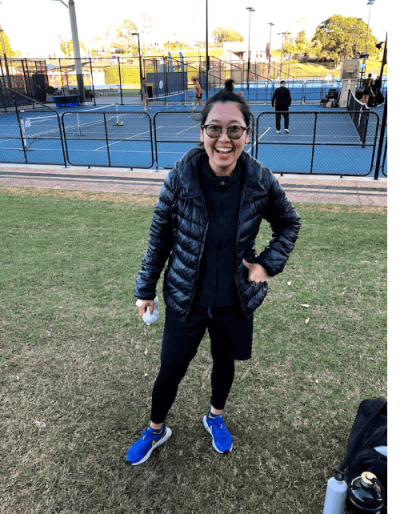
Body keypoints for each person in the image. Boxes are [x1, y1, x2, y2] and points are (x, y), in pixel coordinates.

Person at [127, 78, 301, 466]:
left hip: (234, 299)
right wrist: (146, 288)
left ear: (247, 134)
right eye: (215, 129)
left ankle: (215, 417)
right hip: (187, 297)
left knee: (225, 364)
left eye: (234, 129)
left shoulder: (260, 180)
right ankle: (156, 429)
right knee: (171, 369)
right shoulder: (181, 177)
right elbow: (159, 237)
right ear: (202, 132)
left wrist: (266, 264)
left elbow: (290, 223)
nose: (225, 139)